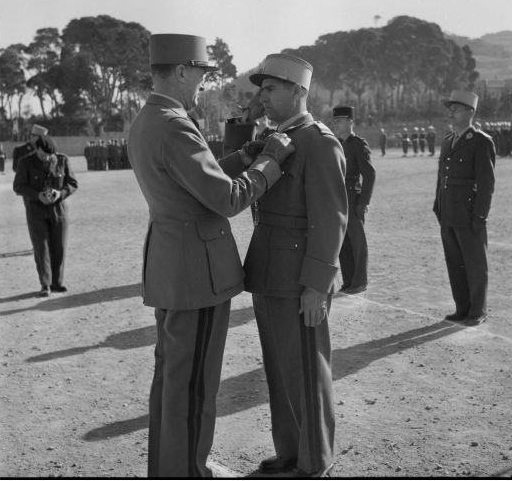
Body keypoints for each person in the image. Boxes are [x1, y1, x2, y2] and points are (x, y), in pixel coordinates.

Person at [127, 33, 294, 478]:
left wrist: (243, 155)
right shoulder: (176, 125)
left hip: (172, 268)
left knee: (172, 381)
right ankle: (188, 473)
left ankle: (171, 467)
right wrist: (269, 162)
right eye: (200, 74)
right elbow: (226, 200)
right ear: (181, 71)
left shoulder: (149, 119)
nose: (201, 84)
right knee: (194, 385)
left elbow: (196, 181)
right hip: (196, 275)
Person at [243, 53, 347, 478]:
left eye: (270, 89)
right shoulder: (276, 138)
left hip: (299, 278)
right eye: (261, 90)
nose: (262, 98)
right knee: (279, 369)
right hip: (268, 271)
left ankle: (314, 458)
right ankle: (289, 449)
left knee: (306, 368)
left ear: (298, 91)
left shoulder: (318, 141)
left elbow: (332, 218)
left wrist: (317, 285)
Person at [433, 90, 495, 327]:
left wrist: (480, 215)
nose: (451, 112)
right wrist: (437, 206)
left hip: (469, 214)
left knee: (474, 263)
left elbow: (486, 183)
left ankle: (477, 310)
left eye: (456, 109)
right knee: (455, 263)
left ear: (470, 112)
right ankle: (462, 308)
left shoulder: (480, 142)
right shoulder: (449, 140)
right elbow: (442, 177)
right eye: (450, 108)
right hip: (448, 212)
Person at [13, 135, 78, 297]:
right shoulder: (25, 163)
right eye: (43, 155)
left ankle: (57, 282)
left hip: (58, 210)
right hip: (36, 211)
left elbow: (73, 184)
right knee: (41, 248)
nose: (47, 158)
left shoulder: (62, 160)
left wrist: (60, 193)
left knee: (59, 247)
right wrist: (36, 195)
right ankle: (45, 284)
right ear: (37, 149)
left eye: (50, 156)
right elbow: (18, 186)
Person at [332, 105, 376, 294]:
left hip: (352, 196)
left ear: (350, 121)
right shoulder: (334, 143)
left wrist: (363, 202)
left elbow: (369, 174)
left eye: (339, 121)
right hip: (338, 197)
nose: (336, 124)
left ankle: (359, 282)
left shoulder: (358, 144)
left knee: (357, 243)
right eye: (334, 121)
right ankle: (349, 280)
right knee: (343, 243)